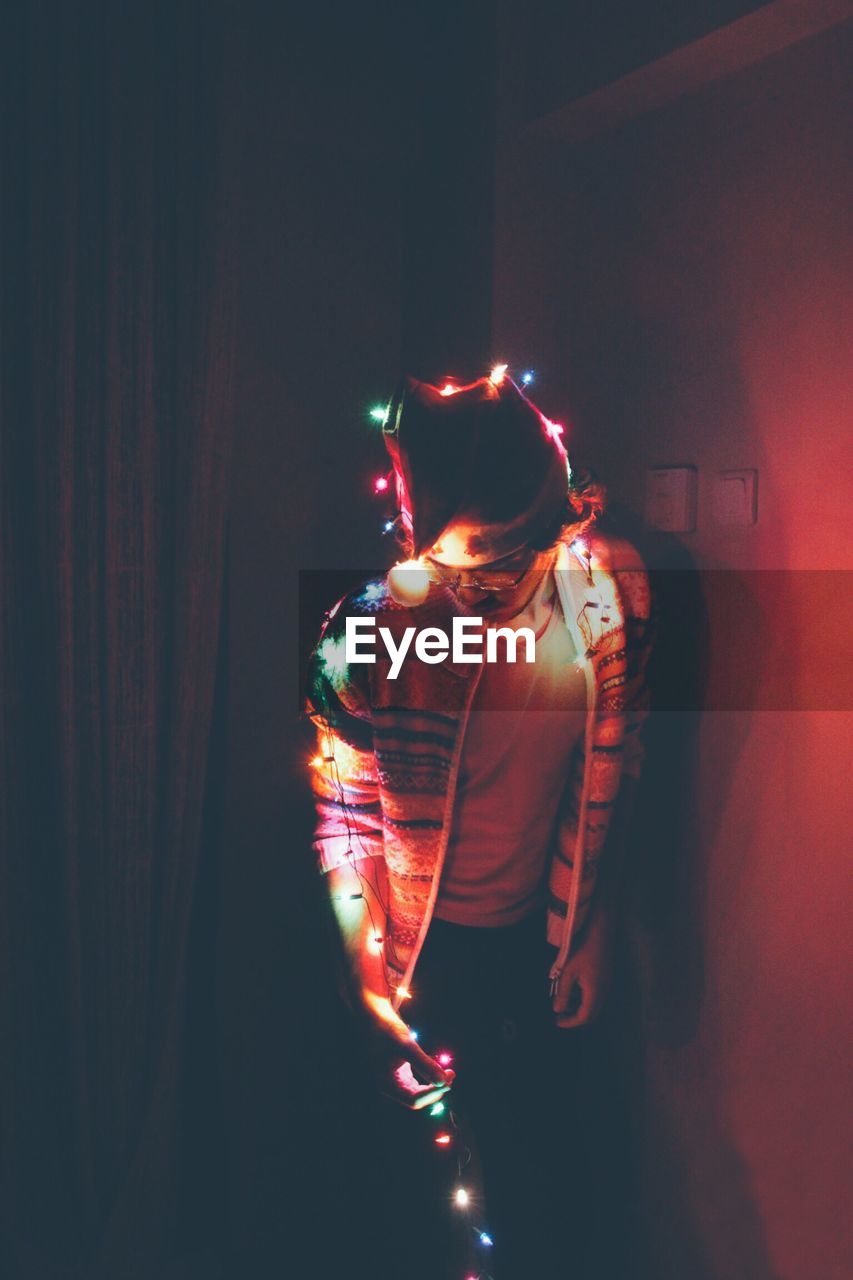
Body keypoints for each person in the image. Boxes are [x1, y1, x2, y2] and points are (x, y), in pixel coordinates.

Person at [304, 370, 653, 1278]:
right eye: (450, 557)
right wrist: (360, 965)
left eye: (496, 557)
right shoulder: (374, 630)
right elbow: (341, 807)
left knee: (544, 1202)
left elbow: (616, 766)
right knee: (413, 1207)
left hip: (530, 949)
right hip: (418, 961)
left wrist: (592, 924)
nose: (472, 583)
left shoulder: (606, 601)